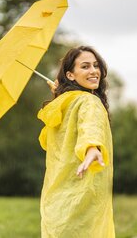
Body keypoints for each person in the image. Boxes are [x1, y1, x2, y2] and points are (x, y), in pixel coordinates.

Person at [37, 46, 115, 238]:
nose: (94, 71)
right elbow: (90, 127)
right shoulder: (89, 102)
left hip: (55, 202)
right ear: (70, 75)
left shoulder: (63, 105)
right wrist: (92, 149)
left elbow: (52, 140)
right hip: (81, 199)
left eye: (96, 66)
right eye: (85, 66)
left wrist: (60, 97)